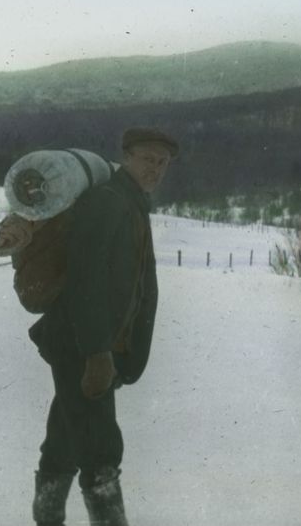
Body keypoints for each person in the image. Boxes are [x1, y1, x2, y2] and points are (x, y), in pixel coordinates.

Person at [27, 126, 178, 526]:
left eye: (162, 163)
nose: (156, 169)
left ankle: (46, 517)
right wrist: (98, 354)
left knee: (64, 440)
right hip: (83, 348)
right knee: (101, 451)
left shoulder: (132, 203)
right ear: (127, 157)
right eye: (148, 159)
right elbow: (84, 279)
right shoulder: (109, 202)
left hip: (93, 348)